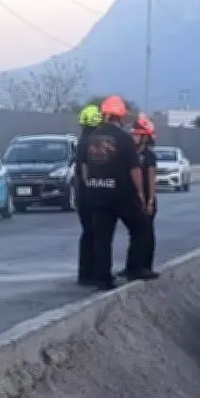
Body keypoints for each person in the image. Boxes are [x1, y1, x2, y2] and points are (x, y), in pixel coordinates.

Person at [79, 95, 157, 290]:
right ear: (121, 116)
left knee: (102, 237)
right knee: (141, 226)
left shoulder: (92, 138)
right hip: (120, 194)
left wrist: (91, 184)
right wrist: (140, 194)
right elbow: (134, 169)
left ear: (104, 114)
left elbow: (85, 166)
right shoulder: (124, 139)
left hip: (97, 193)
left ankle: (103, 278)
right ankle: (135, 268)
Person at [75, 104, 101, 285]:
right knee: (95, 233)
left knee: (87, 233)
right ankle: (90, 273)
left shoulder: (81, 141)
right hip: (90, 194)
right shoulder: (91, 143)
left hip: (81, 195)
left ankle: (85, 272)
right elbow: (86, 170)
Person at [131, 115, 158, 273]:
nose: (134, 136)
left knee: (146, 233)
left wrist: (149, 201)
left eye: (137, 134)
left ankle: (146, 266)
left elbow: (151, 180)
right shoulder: (132, 154)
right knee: (136, 234)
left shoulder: (148, 156)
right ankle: (133, 266)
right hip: (134, 200)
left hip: (146, 200)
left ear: (144, 136)